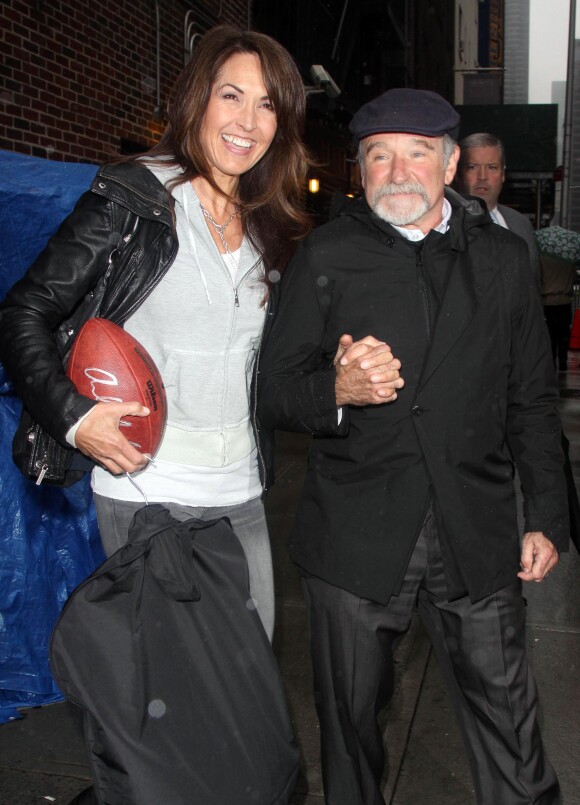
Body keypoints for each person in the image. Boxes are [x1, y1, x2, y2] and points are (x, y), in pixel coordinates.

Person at [257, 88, 568, 805]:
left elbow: (532, 398)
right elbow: (273, 390)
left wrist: (545, 513)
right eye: (378, 155)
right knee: (351, 730)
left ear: (452, 162)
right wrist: (335, 389)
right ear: (359, 170)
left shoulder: (502, 259)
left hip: (478, 531)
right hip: (355, 540)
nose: (398, 170)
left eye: (417, 152)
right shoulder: (328, 253)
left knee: (512, 735)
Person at [0, 24, 311, 643]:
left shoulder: (270, 227)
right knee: (171, 708)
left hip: (243, 489)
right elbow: (24, 310)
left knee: (250, 697)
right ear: (197, 99)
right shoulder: (134, 198)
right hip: (148, 487)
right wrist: (73, 416)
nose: (247, 120)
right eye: (231, 95)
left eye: (267, 103)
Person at [457, 131, 541, 283]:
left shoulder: (520, 224)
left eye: (492, 167)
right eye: (473, 167)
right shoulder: (442, 222)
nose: (482, 176)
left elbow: (533, 285)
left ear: (503, 174)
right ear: (458, 174)